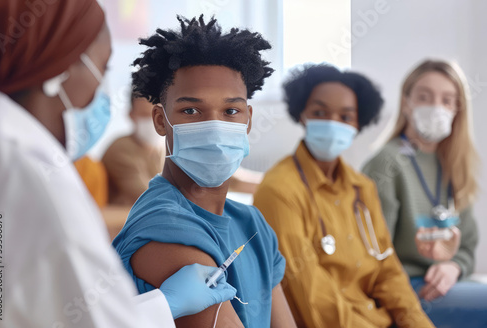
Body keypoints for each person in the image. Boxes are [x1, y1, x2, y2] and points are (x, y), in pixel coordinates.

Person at [0, 1, 236, 327]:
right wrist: (167, 304)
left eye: (231, 110)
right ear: (59, 69)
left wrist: (162, 304)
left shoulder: (2, 140)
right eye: (102, 70)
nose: (103, 95)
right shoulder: (35, 172)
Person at [112, 15, 296, 328]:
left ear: (248, 119)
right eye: (191, 110)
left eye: (231, 111)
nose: (214, 127)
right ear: (160, 120)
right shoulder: (165, 229)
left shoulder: (252, 224)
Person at [253, 63, 434, 328]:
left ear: (358, 123)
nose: (332, 123)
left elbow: (387, 271)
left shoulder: (363, 188)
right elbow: (309, 292)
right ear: (302, 114)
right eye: (320, 112)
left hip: (374, 318)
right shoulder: (279, 189)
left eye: (345, 117)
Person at [362, 59, 487, 327]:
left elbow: (466, 246)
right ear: (406, 102)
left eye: (447, 100)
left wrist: (455, 267)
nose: (436, 107)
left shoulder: (454, 164)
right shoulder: (386, 164)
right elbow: (373, 254)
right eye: (424, 97)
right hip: (403, 292)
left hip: (446, 285)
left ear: (457, 109)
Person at [102, 92, 165, 206]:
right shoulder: (121, 149)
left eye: (158, 114)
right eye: (145, 115)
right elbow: (151, 197)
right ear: (131, 115)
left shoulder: (161, 151)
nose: (153, 120)